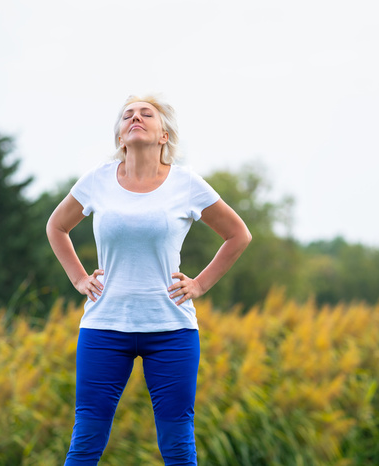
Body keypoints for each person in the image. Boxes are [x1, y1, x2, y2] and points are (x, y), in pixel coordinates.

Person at [46, 93, 252, 465]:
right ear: (120, 137)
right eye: (127, 116)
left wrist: (200, 284)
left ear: (163, 136)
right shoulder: (98, 180)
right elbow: (57, 226)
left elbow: (238, 234)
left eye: (146, 114)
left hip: (171, 328)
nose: (135, 118)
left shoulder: (186, 184)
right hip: (105, 326)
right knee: (86, 440)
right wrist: (78, 278)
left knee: (176, 444)